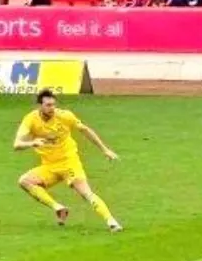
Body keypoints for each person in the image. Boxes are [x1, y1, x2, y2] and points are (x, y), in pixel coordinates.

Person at [13, 88, 122, 232]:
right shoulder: (31, 119)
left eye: (53, 105)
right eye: (48, 105)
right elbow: (17, 145)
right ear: (40, 106)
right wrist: (31, 143)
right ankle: (58, 208)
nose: (52, 108)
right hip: (49, 166)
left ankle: (111, 222)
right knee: (24, 181)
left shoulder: (65, 116)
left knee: (86, 193)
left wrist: (105, 150)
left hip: (69, 163)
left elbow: (85, 130)